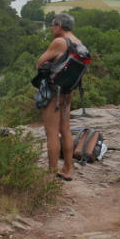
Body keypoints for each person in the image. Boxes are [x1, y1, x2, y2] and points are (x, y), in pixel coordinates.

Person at [35, 13, 84, 182]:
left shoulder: (59, 42)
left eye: (52, 25)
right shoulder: (78, 42)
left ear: (59, 26)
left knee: (52, 132)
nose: (51, 28)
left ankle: (51, 174)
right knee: (65, 130)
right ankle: (68, 169)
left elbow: (39, 62)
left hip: (54, 92)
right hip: (68, 92)